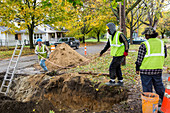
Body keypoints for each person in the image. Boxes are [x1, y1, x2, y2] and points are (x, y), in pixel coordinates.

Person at [135, 27, 167, 101]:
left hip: (146, 71)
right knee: (159, 87)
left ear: (148, 35)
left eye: (145, 35)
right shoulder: (162, 43)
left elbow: (139, 59)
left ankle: (149, 105)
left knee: (147, 89)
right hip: (158, 69)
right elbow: (164, 55)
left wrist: (137, 68)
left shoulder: (144, 44)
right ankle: (166, 102)